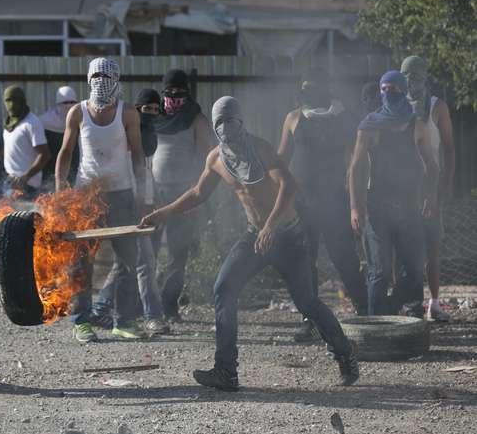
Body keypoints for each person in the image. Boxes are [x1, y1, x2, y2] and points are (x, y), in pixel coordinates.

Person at [141, 96, 359, 391]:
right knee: (224, 288)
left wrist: (271, 225)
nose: (228, 128)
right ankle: (226, 371)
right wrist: (162, 214)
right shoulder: (216, 159)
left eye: (232, 121)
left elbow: (289, 185)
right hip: (255, 234)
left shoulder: (261, 148)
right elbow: (197, 194)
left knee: (306, 301)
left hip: (288, 234)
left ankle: (345, 355)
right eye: (221, 123)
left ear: (241, 122)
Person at [56, 57, 150, 343]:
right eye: (96, 76)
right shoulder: (77, 113)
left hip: (121, 194)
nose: (101, 82)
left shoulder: (127, 113)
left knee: (127, 259)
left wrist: (143, 195)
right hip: (87, 196)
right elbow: (66, 152)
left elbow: (138, 156)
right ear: (88, 79)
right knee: (82, 260)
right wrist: (61, 188)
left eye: (106, 77)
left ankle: (124, 320)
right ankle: (81, 322)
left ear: (117, 80)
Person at [278, 69, 368, 342]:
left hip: (334, 200)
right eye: (304, 89)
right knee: (305, 261)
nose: (309, 94)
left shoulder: (343, 117)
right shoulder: (293, 118)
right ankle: (310, 319)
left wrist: (355, 204)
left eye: (314, 88)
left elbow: (356, 162)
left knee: (344, 258)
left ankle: (365, 313)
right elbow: (281, 159)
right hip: (302, 202)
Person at [348, 71, 439, 318]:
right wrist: (355, 207)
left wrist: (431, 195)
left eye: (394, 89)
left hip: (410, 207)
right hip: (378, 207)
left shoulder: (416, 124)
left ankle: (398, 315)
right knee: (380, 272)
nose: (389, 94)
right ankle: (375, 326)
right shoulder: (369, 126)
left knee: (413, 268)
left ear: (403, 90)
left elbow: (432, 165)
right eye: (384, 89)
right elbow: (355, 168)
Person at [90, 88, 170, 336]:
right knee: (144, 261)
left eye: (156, 110)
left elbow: (146, 173)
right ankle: (152, 317)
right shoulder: (126, 137)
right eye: (147, 109)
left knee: (124, 264)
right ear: (136, 110)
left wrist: (152, 199)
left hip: (143, 204)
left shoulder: (149, 137)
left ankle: (100, 308)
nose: (152, 114)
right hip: (128, 206)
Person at [150, 69, 213, 321]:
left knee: (178, 254)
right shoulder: (153, 115)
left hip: (183, 195)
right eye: (170, 92)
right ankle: (150, 306)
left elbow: (206, 157)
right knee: (149, 252)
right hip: (154, 193)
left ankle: (169, 304)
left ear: (187, 92)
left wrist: (198, 194)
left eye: (179, 92)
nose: (174, 97)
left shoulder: (196, 119)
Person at [400, 56, 455, 322]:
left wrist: (445, 184)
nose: (412, 82)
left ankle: (434, 302)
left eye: (417, 76)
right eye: (407, 76)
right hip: (400, 185)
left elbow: (448, 148)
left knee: (432, 244)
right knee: (403, 246)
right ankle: (407, 302)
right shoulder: (396, 105)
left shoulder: (436, 106)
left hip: (429, 183)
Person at [0, 86, 50, 200]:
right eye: (8, 100)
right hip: (9, 180)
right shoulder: (10, 124)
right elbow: (12, 149)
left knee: (5, 211)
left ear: (22, 101)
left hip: (26, 185)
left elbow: (45, 155)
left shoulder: (32, 123)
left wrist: (25, 177)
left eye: (15, 100)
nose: (11, 105)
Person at [40, 86, 79, 187]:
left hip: (73, 167)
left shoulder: (80, 119)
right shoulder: (45, 121)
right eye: (65, 103)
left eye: (72, 102)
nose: (69, 106)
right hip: (51, 168)